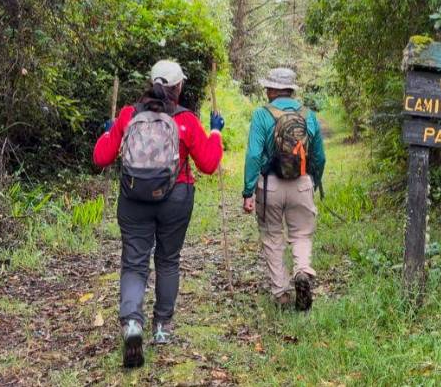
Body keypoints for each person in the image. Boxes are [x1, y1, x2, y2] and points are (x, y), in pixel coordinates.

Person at [93, 60, 224, 368]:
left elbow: (101, 157)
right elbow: (208, 164)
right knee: (168, 260)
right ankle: (162, 327)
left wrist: (109, 133)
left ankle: (132, 323)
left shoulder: (129, 114)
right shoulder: (186, 120)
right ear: (179, 87)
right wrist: (216, 132)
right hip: (176, 198)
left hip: (133, 197)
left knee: (134, 263)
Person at [242, 67, 325, 311]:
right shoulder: (308, 115)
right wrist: (313, 181)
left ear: (272, 90)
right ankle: (302, 270)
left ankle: (281, 294)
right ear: (291, 90)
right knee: (301, 234)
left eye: (267, 87)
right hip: (301, 183)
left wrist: (248, 191)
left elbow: (254, 155)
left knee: (272, 238)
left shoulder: (261, 115)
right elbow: (319, 157)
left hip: (270, 186)